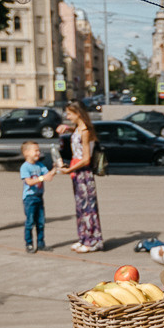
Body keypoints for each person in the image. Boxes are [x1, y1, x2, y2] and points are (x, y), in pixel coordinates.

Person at [59, 101, 103, 252]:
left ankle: (93, 241)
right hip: (77, 173)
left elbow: (86, 158)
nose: (67, 116)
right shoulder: (79, 128)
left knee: (88, 207)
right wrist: (68, 128)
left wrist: (69, 169)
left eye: (70, 114)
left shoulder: (85, 131)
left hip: (84, 173)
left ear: (78, 113)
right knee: (80, 207)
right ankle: (83, 237)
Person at [19, 140, 55, 252]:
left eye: (38, 150)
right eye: (35, 150)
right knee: (30, 222)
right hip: (29, 199)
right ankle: (29, 244)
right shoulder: (25, 167)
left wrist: (56, 168)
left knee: (41, 222)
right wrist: (42, 178)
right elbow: (29, 182)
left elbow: (47, 175)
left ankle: (41, 243)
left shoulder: (40, 165)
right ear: (26, 153)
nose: (38, 153)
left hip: (39, 197)